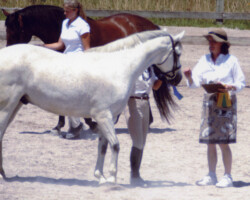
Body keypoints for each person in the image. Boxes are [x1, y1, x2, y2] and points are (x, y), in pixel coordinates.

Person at [183, 28, 245, 188]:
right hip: (209, 100)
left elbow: (241, 83)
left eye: (214, 41)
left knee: (223, 141)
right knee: (210, 141)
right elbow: (195, 83)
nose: (210, 44)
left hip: (225, 99)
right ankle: (211, 174)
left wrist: (230, 86)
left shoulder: (232, 60)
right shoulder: (204, 60)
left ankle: (228, 176)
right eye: (209, 41)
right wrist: (189, 77)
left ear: (222, 44)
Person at [43, 0, 91, 139]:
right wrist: (42, 46)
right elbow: (59, 45)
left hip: (78, 62)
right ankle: (75, 125)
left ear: (75, 10)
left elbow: (87, 49)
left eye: (67, 11)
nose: (64, 13)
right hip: (65, 61)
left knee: (70, 94)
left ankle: (75, 125)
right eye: (64, 10)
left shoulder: (83, 26)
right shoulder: (65, 23)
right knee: (62, 93)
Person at [125, 66, 162, 184]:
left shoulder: (149, 68)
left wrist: (163, 77)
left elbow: (155, 86)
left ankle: (137, 174)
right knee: (138, 141)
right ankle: (134, 176)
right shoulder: (133, 66)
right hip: (133, 102)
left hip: (146, 103)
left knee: (142, 142)